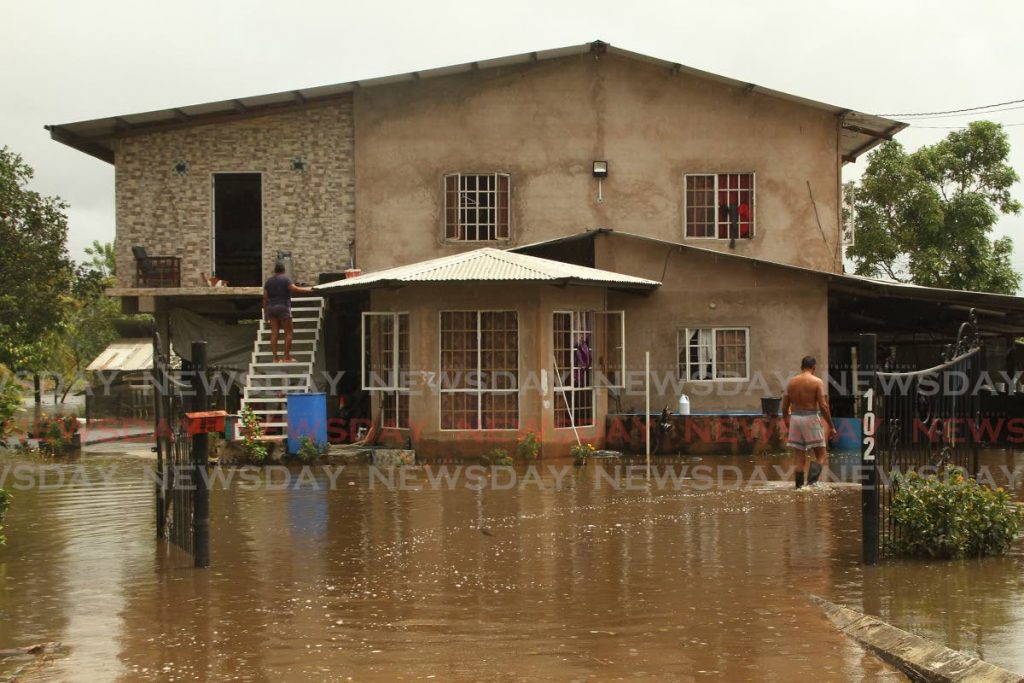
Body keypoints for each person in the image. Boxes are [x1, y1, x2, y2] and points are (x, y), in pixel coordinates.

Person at [781, 356, 835, 489]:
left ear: (801, 367)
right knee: (822, 455)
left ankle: (799, 487)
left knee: (799, 456)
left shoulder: (791, 382)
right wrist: (832, 426)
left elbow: (784, 406)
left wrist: (787, 421)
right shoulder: (817, 382)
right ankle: (811, 484)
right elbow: (823, 406)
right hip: (810, 418)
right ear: (814, 368)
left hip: (795, 419)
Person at [263, 262, 315, 363]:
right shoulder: (285, 279)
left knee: (274, 333)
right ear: (283, 270)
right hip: (283, 307)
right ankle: (286, 357)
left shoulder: (268, 282)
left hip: (271, 308)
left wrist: (265, 313)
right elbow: (295, 289)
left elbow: (265, 298)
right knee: (289, 332)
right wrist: (310, 290)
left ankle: (275, 358)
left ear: (275, 270)